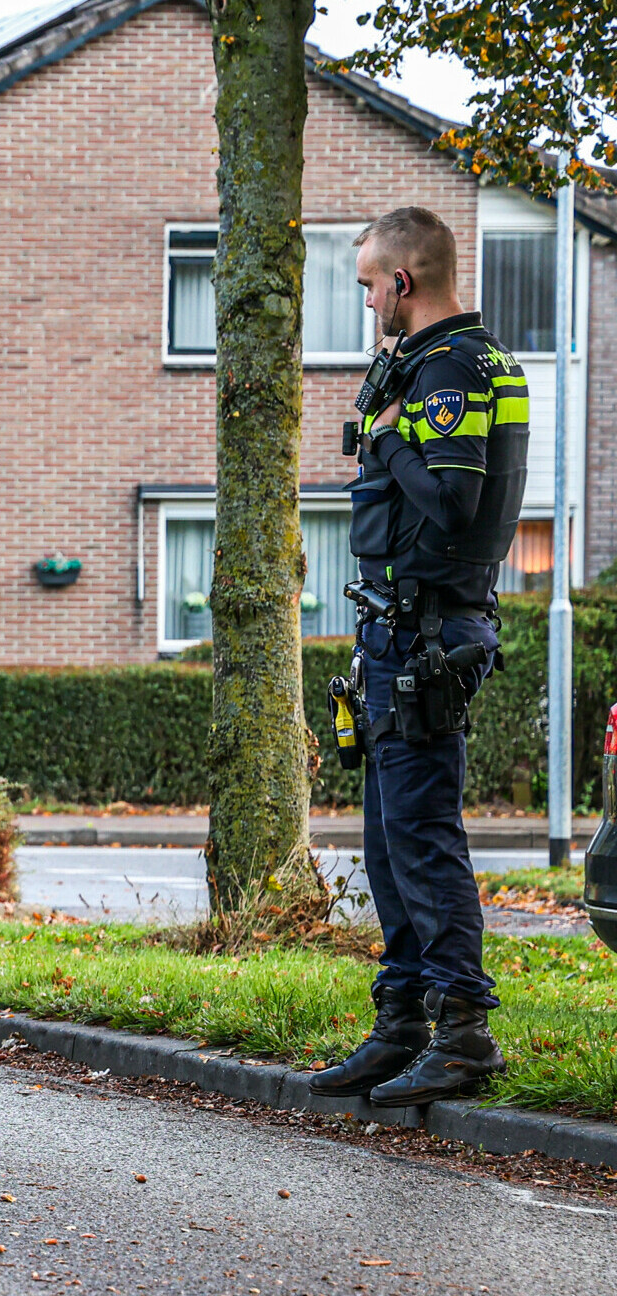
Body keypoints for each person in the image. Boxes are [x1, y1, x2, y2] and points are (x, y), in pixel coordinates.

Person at [311, 207, 531, 1106]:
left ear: (405, 280)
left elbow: (448, 503)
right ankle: (400, 1023)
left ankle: (465, 1032)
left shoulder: (451, 373)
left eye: (370, 284)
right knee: (389, 840)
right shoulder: (428, 366)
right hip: (393, 635)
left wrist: (394, 431)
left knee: (425, 839)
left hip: (429, 635)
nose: (367, 302)